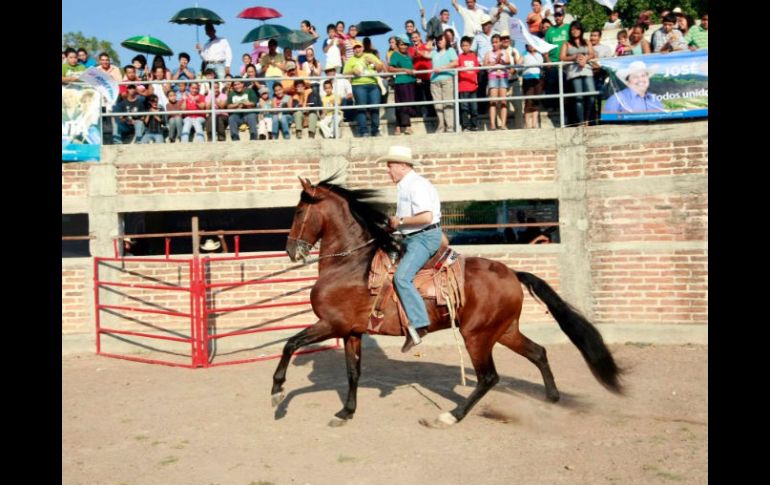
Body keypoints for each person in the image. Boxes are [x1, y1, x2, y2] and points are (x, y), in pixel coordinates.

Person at [378, 145, 442, 353]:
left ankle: (420, 323)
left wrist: (400, 221)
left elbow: (426, 217)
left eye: (390, 166)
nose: (388, 171)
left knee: (402, 277)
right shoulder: (406, 185)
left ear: (403, 166)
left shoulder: (417, 185)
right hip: (412, 237)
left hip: (424, 239)